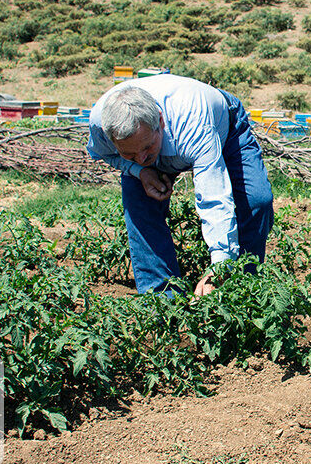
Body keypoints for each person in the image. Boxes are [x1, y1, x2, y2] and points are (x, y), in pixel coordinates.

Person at [86, 74, 274, 297]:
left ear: (160, 121)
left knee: (256, 200)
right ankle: (162, 300)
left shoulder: (193, 124)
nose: (141, 157)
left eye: (147, 147)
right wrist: (140, 171)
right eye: (129, 152)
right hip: (169, 138)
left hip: (224, 128)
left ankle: (240, 288)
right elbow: (105, 155)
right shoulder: (101, 124)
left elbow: (213, 196)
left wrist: (219, 267)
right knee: (140, 206)